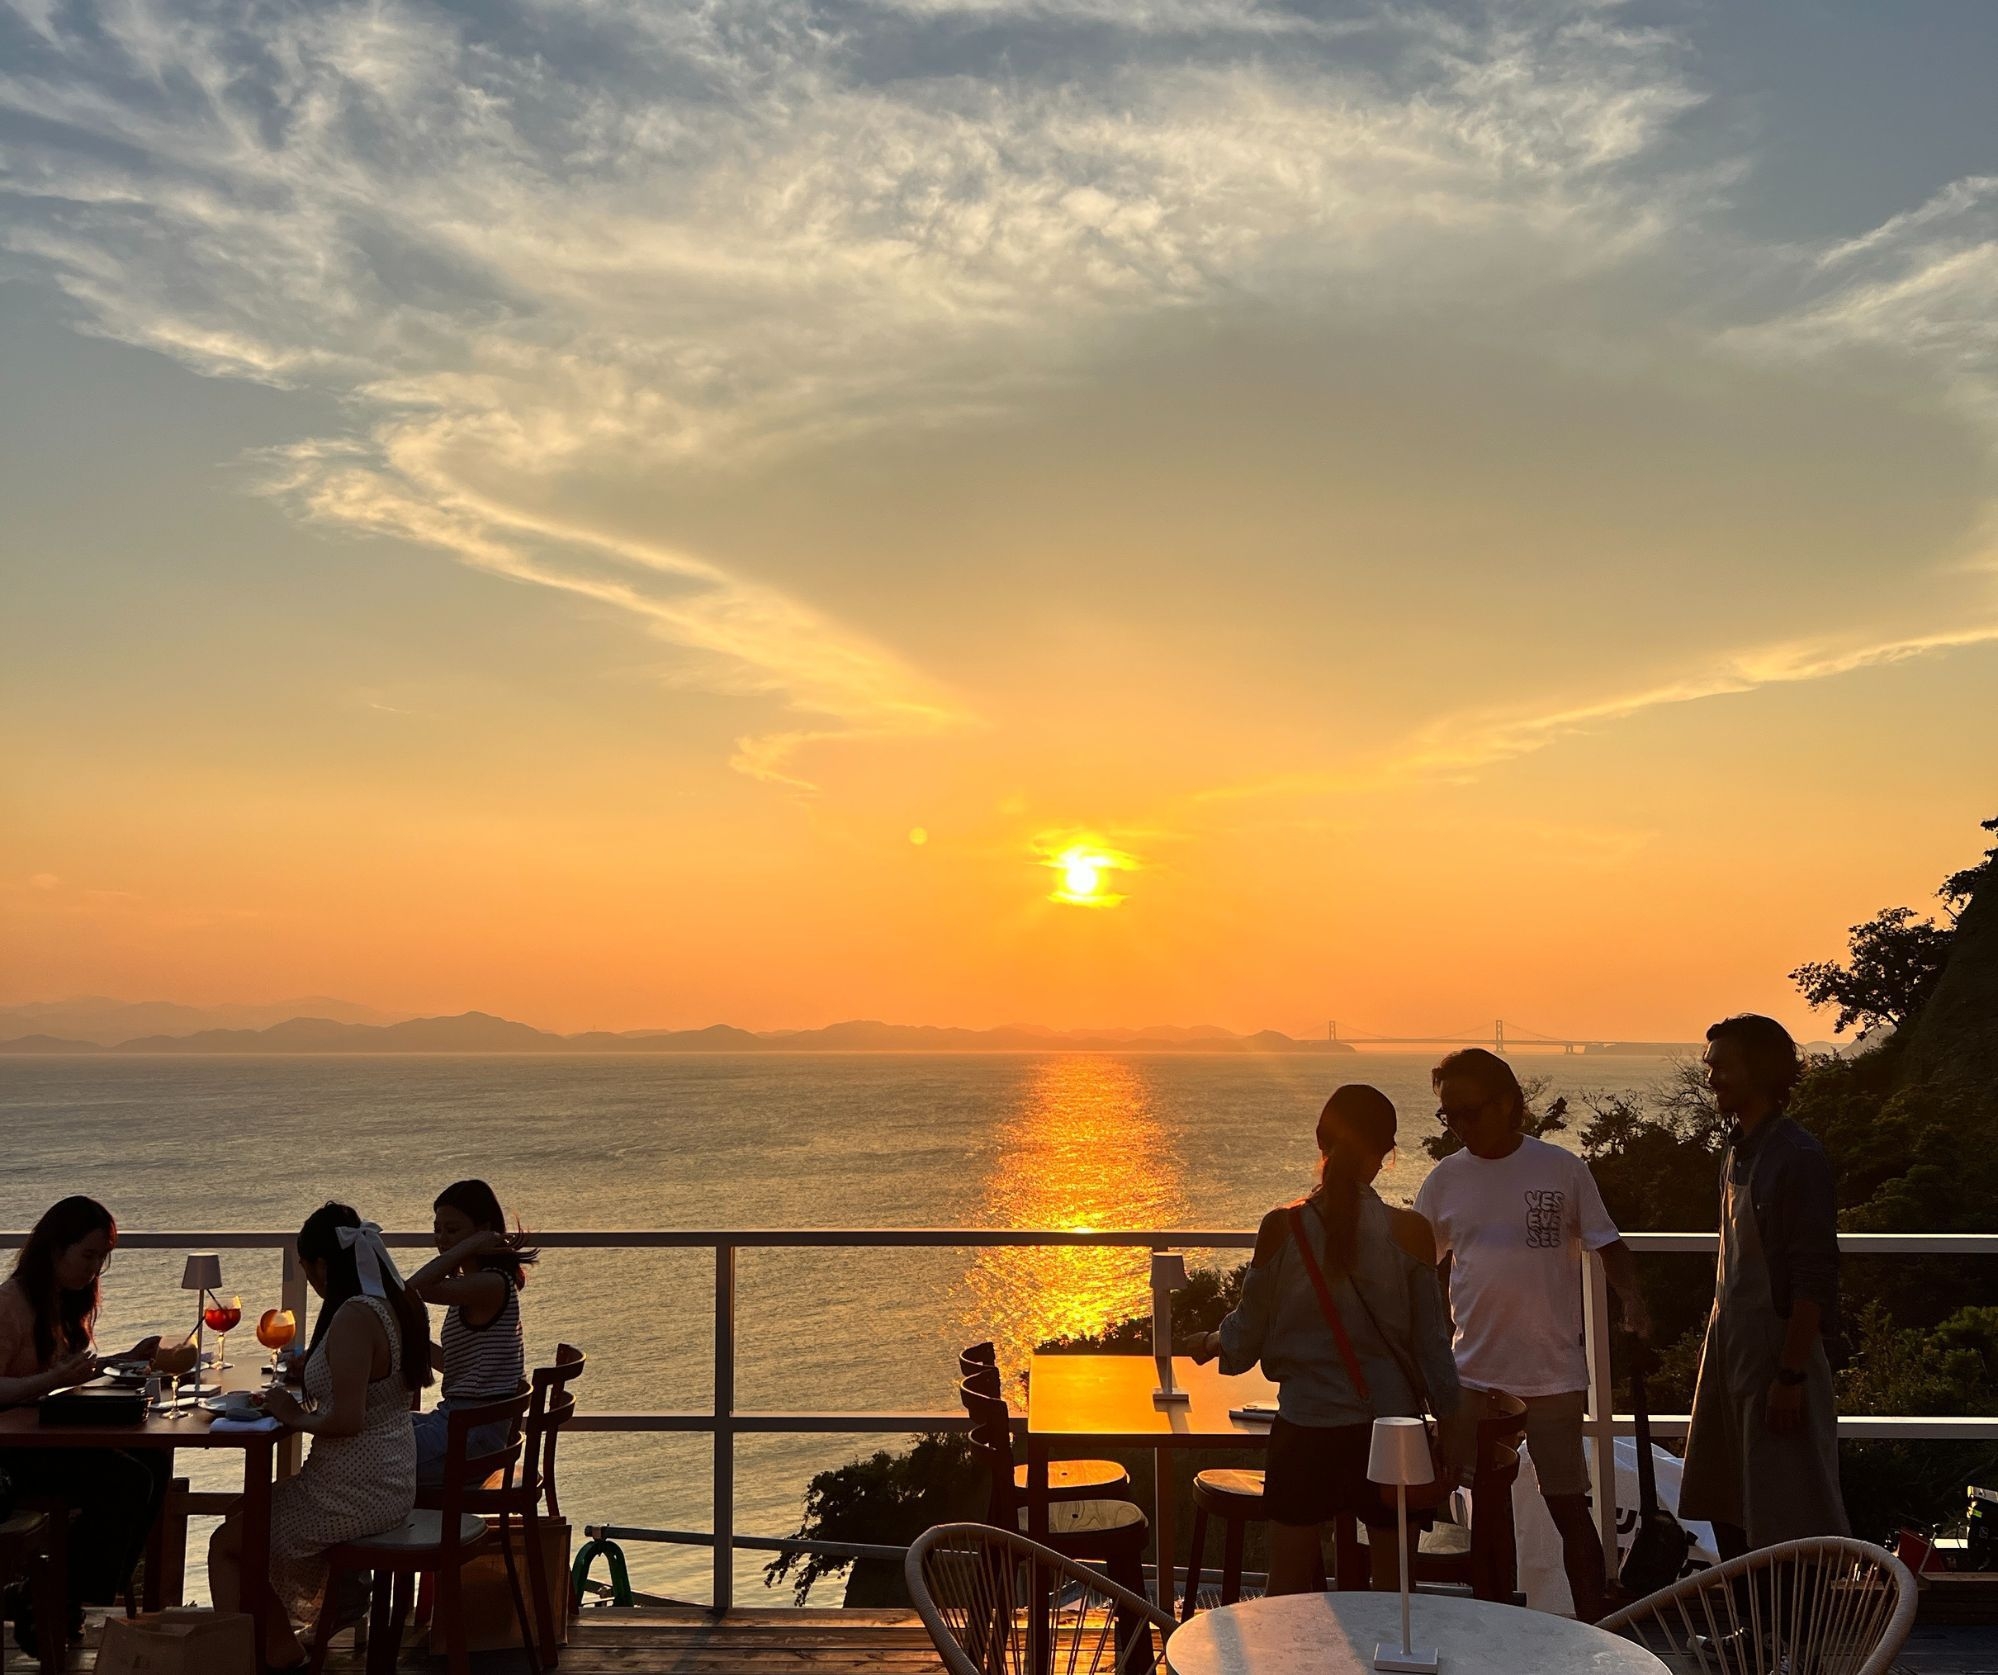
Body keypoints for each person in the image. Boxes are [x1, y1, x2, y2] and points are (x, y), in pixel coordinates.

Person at [1191, 1085, 1461, 1593]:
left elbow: (1244, 1339)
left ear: (1321, 1142)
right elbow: (1433, 1348)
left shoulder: (1282, 1228)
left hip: (1307, 1431)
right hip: (1392, 1431)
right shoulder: (1410, 1233)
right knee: (1396, 1598)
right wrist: (1451, 1430)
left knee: (1287, 1593)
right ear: (1385, 1154)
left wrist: (1209, 1342)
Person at [1414, 1048, 1650, 1621]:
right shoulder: (1446, 1180)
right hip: (1472, 1373)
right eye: (1449, 1117)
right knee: (1487, 1509)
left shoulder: (1560, 1168)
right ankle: (1493, 1623)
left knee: (1569, 1507)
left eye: (1469, 1112)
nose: (1460, 1127)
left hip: (1552, 1373)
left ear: (1509, 1104)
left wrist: (1634, 1302)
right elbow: (1415, 1265)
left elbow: (1607, 1243)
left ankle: (1597, 1628)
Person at [209, 1203, 432, 1669]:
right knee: (242, 1511)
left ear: (323, 1265)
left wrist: (293, 1414)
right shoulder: (395, 1301)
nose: (309, 1280)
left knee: (227, 1542)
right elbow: (371, 1384)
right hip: (389, 1479)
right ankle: (313, 1617)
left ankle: (258, 1656)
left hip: (352, 1489)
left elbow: (347, 1420)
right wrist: (314, 1369)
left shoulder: (354, 1315)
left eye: (306, 1269)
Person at [1678, 1015, 1848, 1556]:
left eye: (1723, 1068)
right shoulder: (1736, 1149)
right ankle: (1748, 1628)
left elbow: (1812, 1276)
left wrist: (1791, 1375)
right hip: (1727, 1346)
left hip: (1775, 1351)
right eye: (1710, 1068)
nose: (1711, 1080)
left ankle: (1792, 1634)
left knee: (1786, 1504)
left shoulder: (1797, 1157)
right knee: (1725, 1498)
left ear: (1762, 1070)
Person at [0, 1196, 165, 1657]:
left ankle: (56, 1598)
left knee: (155, 1458)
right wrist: (52, 1380)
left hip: (39, 1437)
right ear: (56, 1250)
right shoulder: (10, 1305)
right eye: (89, 1256)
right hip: (9, 1452)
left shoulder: (62, 1303)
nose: (96, 1269)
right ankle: (57, 1597)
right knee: (128, 1479)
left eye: (102, 1258)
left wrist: (120, 1360)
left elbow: (69, 1371)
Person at [405, 1179, 534, 1487]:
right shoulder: (474, 1286)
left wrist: (472, 1245)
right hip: (461, 1426)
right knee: (376, 1430)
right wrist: (408, 1340)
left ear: (483, 1230)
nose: (442, 1239)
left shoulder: (490, 1284)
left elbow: (413, 1289)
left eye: (452, 1230)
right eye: (437, 1230)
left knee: (368, 1451)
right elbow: (455, 1366)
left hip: (470, 1440)